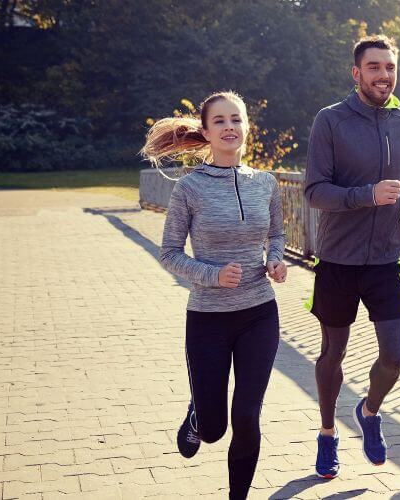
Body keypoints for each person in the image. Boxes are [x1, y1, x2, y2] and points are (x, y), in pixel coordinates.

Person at [140, 91, 287, 499]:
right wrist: (212, 274)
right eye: (219, 121)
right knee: (213, 428)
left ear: (246, 128)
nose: (229, 127)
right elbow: (168, 253)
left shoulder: (266, 183)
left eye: (236, 119)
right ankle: (196, 417)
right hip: (208, 318)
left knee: (246, 416)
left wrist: (275, 260)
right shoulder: (190, 188)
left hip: (259, 314)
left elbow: (277, 234)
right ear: (205, 131)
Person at [302, 34, 400, 479]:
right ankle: (326, 433)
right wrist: (368, 195)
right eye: (374, 67)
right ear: (356, 73)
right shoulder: (330, 122)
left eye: (390, 68)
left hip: (385, 260)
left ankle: (369, 412)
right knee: (332, 354)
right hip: (337, 260)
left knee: (394, 356)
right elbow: (315, 192)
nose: (384, 76)